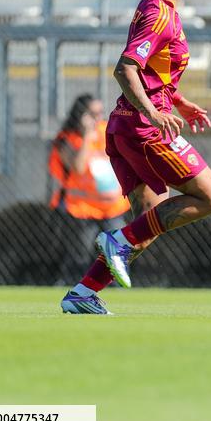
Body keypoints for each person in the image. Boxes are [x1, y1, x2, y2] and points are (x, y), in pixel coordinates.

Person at [61, 0, 211, 315]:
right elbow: (126, 68)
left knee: (147, 224)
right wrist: (154, 112)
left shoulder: (152, 7)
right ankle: (116, 242)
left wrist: (178, 103)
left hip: (124, 127)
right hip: (143, 128)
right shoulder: (159, 13)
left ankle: (83, 293)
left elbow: (152, 72)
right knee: (210, 198)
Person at [50, 94, 131, 284]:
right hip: (82, 208)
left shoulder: (107, 131)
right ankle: (75, 290)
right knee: (80, 254)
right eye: (92, 114)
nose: (98, 118)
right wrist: (87, 136)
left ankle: (117, 293)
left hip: (112, 207)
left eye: (100, 113)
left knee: (116, 253)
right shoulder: (67, 139)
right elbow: (77, 167)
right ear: (80, 115)